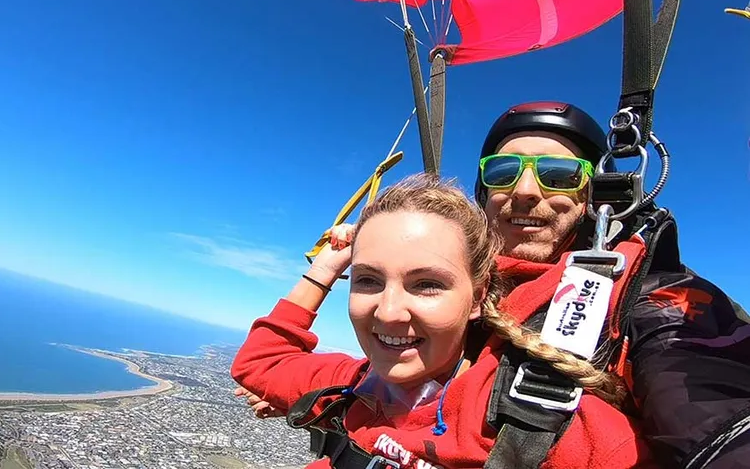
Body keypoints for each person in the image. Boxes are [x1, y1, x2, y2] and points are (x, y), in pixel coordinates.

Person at [234, 101, 750, 469]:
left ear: (596, 194)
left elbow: (717, 412)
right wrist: (337, 265)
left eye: (559, 174)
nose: (525, 190)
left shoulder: (649, 300)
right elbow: (265, 365)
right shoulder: (380, 376)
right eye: (505, 170)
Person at [231, 174, 657, 469]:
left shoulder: (536, 423)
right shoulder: (355, 384)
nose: (388, 311)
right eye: (367, 280)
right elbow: (258, 363)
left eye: (427, 284)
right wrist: (328, 265)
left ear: (476, 297)